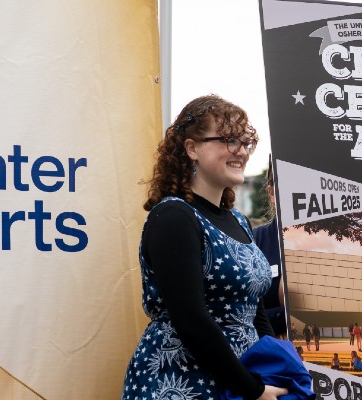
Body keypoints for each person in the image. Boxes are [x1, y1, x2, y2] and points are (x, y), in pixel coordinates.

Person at [120, 95, 287, 400]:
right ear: (191, 148)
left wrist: (280, 369)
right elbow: (191, 320)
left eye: (246, 142)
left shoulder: (239, 221)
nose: (242, 152)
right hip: (181, 383)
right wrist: (252, 389)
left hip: (242, 383)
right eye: (229, 140)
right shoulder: (174, 216)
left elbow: (256, 312)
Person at [251, 168, 288, 340]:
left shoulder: (339, 245)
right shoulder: (253, 242)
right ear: (272, 192)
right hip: (273, 359)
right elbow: (243, 316)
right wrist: (288, 315)